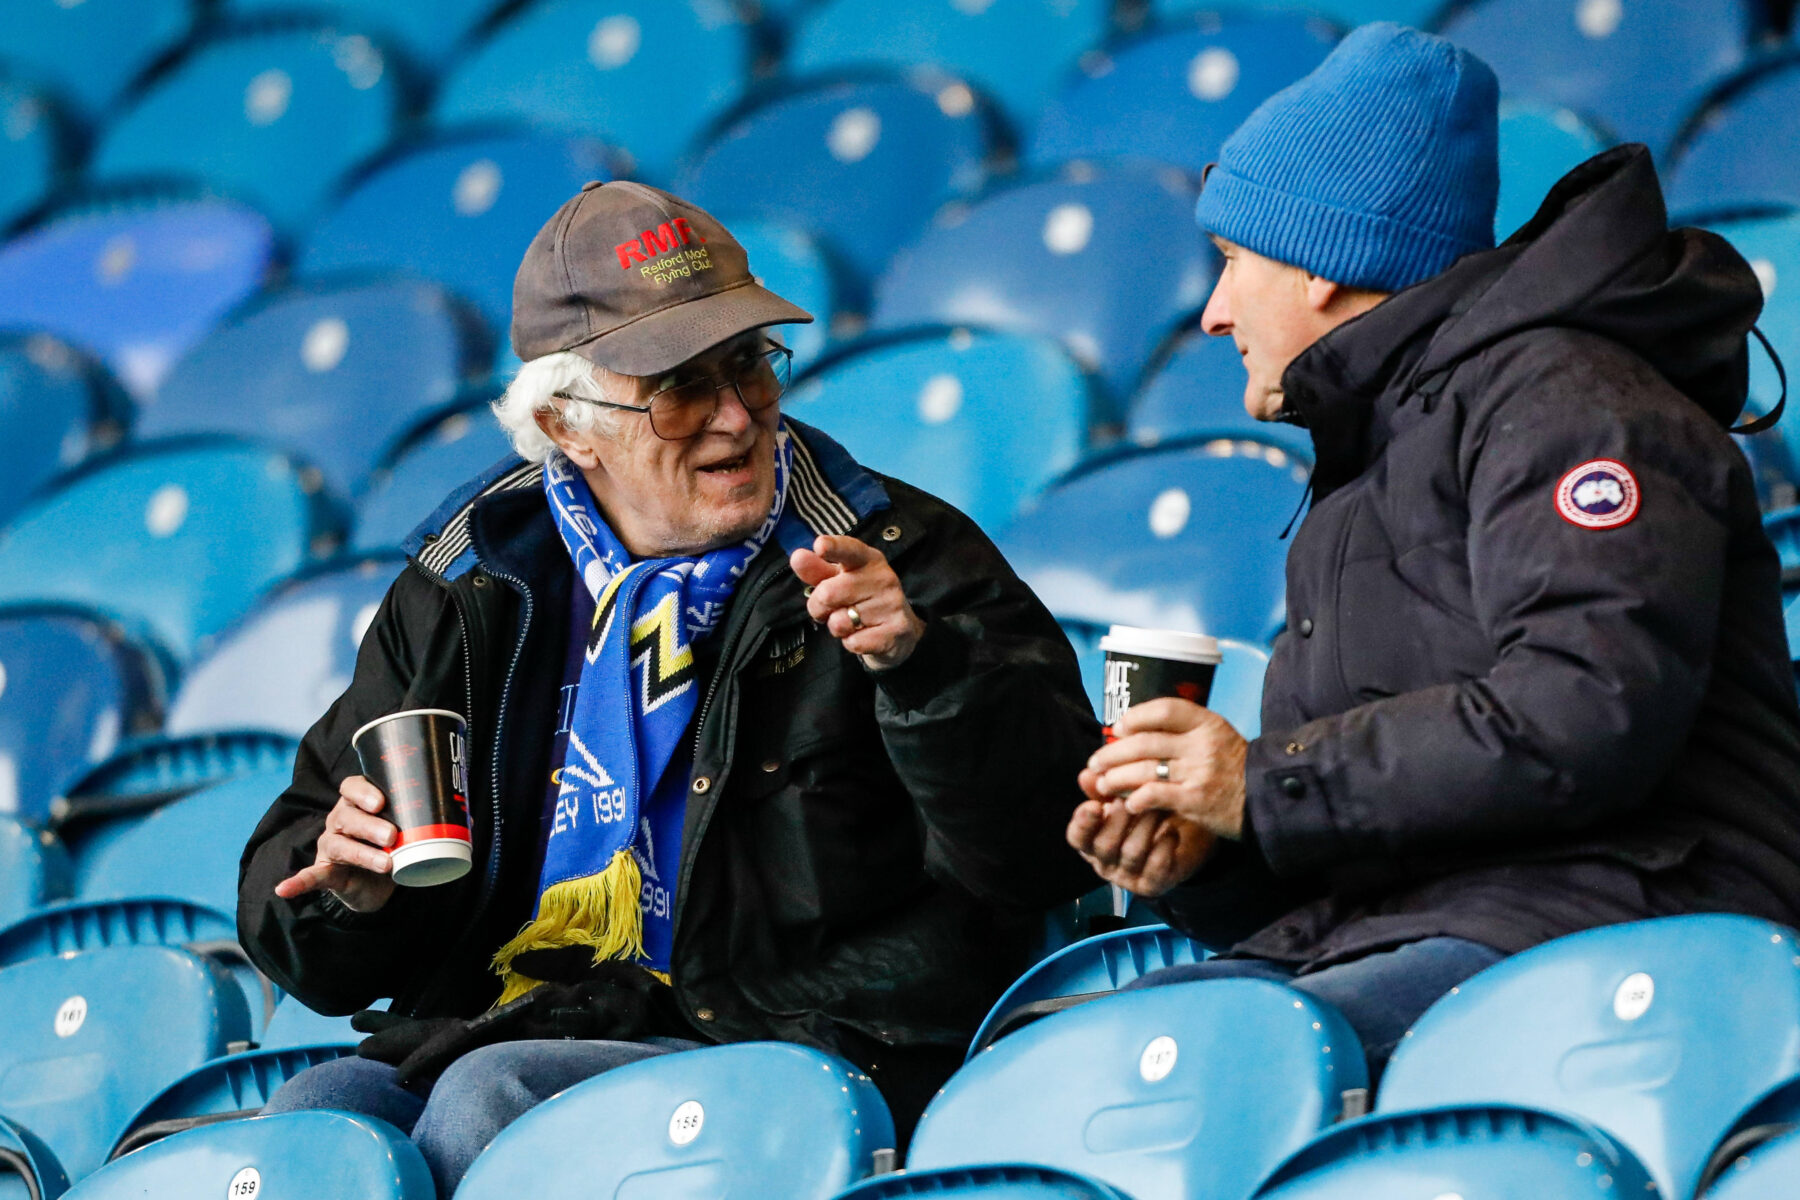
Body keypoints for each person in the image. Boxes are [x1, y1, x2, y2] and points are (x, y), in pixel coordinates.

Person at [239, 181, 1100, 1193]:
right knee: (320, 1118)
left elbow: (1051, 851)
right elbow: (303, 924)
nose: (735, 416)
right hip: (532, 1018)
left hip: (803, 1037)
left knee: (492, 1102)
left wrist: (921, 669)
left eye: (748, 362)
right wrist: (351, 894)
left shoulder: (893, 553)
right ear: (568, 424)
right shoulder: (470, 588)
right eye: (680, 384)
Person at [1068, 22, 1800, 1076]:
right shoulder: (1356, 473)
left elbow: (1589, 707)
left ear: (1323, 264)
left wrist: (1263, 788)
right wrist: (1212, 853)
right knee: (1051, 1062)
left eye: (1232, 263)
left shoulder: (1573, 403)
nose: (1216, 313)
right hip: (1433, 933)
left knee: (1234, 1070)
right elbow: (1368, 829)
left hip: (1629, 920)